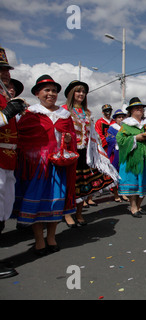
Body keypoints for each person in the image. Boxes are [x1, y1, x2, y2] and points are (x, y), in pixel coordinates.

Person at [14, 75, 77, 256]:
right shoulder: (30, 114)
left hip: (58, 165)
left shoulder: (65, 115)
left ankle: (51, 236)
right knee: (38, 203)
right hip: (37, 167)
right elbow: (21, 138)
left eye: (54, 91)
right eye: (46, 90)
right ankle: (39, 239)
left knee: (55, 202)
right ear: (37, 93)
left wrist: (68, 139)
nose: (51, 94)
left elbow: (71, 137)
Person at [62, 80, 118, 227]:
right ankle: (68, 213)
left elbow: (92, 134)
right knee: (70, 184)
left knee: (84, 184)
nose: (81, 94)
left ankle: (79, 214)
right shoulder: (63, 111)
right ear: (71, 93)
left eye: (83, 92)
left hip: (85, 152)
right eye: (78, 91)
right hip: (70, 152)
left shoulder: (86, 113)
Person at [0, 47, 27, 278]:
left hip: (8, 158)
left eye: (7, 69)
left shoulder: (6, 95)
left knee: (3, 210)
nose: (6, 73)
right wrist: (6, 112)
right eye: (1, 70)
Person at [116, 97, 146, 217]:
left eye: (141, 108)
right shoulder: (126, 125)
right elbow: (120, 140)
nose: (140, 109)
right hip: (132, 159)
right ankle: (133, 207)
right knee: (133, 182)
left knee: (144, 182)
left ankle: (138, 206)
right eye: (136, 108)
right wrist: (136, 138)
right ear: (131, 110)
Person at [106, 109, 127, 202]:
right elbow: (109, 139)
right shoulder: (112, 128)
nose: (121, 119)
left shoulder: (126, 128)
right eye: (119, 117)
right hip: (116, 152)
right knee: (115, 173)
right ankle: (116, 194)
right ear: (115, 119)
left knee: (124, 173)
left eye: (122, 117)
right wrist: (119, 140)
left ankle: (123, 193)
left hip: (125, 152)